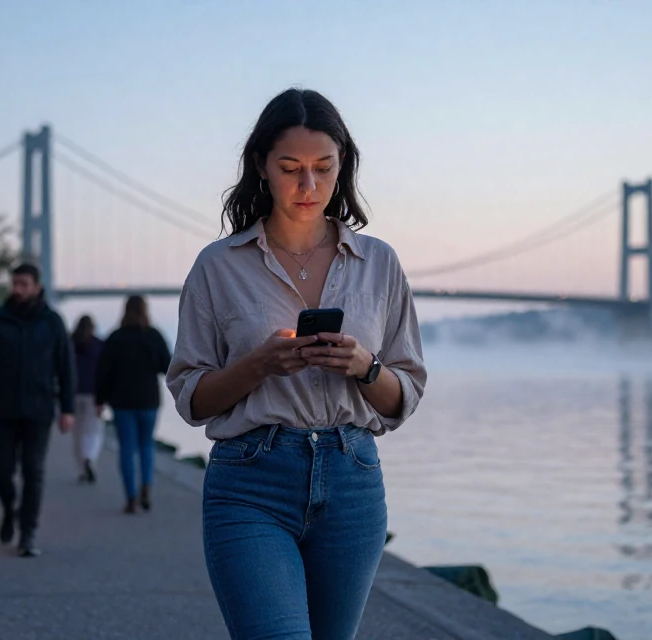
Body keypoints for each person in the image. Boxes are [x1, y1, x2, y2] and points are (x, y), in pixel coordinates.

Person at [165, 88, 427, 639]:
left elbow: (405, 395)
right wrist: (257, 364)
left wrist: (364, 366)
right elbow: (191, 398)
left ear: (342, 167)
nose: (308, 186)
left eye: (322, 168)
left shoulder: (379, 263)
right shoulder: (217, 267)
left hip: (353, 483)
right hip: (250, 482)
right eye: (290, 168)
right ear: (261, 166)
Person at [0, 263, 75, 558]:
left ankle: (28, 533)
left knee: (33, 472)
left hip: (39, 410)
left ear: (37, 287)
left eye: (24, 284)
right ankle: (9, 508)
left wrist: (68, 408)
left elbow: (66, 367)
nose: (18, 289)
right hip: (1, 408)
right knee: (1, 470)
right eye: (15, 284)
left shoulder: (51, 321)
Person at [95, 297, 171, 514]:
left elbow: (103, 373)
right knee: (147, 445)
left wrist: (99, 400)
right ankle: (146, 484)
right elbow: (167, 366)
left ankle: (130, 497)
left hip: (122, 402)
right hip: (148, 400)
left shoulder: (114, 338)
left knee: (127, 449)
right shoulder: (154, 336)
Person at [70, 315, 105, 484]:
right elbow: (105, 371)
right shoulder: (99, 345)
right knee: (93, 431)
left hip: (73, 392)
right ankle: (90, 457)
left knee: (77, 432)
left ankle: (82, 467)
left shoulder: (71, 343)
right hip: (94, 393)